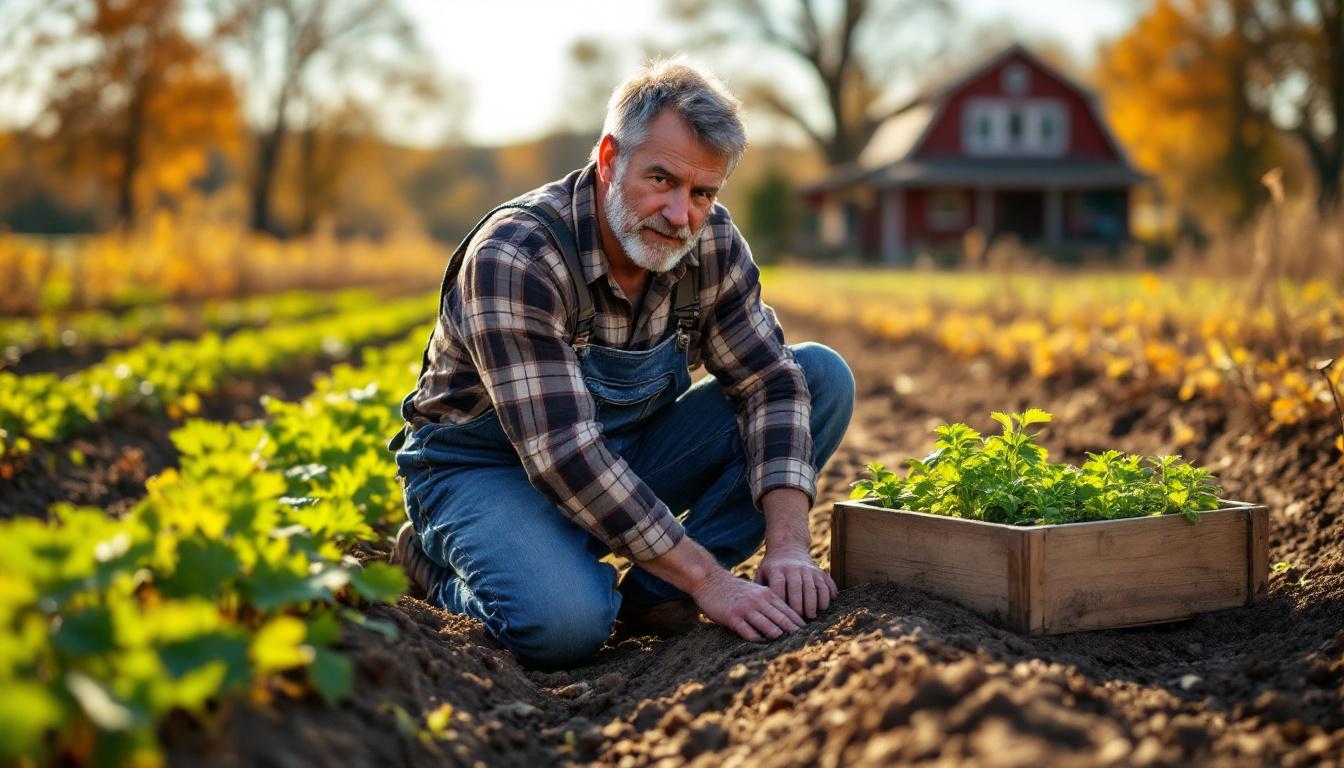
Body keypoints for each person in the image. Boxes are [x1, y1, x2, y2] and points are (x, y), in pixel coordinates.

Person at [390, 58, 854, 669]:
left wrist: (790, 546)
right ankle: (433, 564)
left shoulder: (710, 242)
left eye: (702, 193)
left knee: (819, 377)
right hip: (489, 469)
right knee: (564, 628)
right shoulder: (518, 255)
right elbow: (564, 453)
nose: (680, 215)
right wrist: (711, 580)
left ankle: (656, 594)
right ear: (609, 159)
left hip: (624, 451)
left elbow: (769, 381)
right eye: (661, 179)